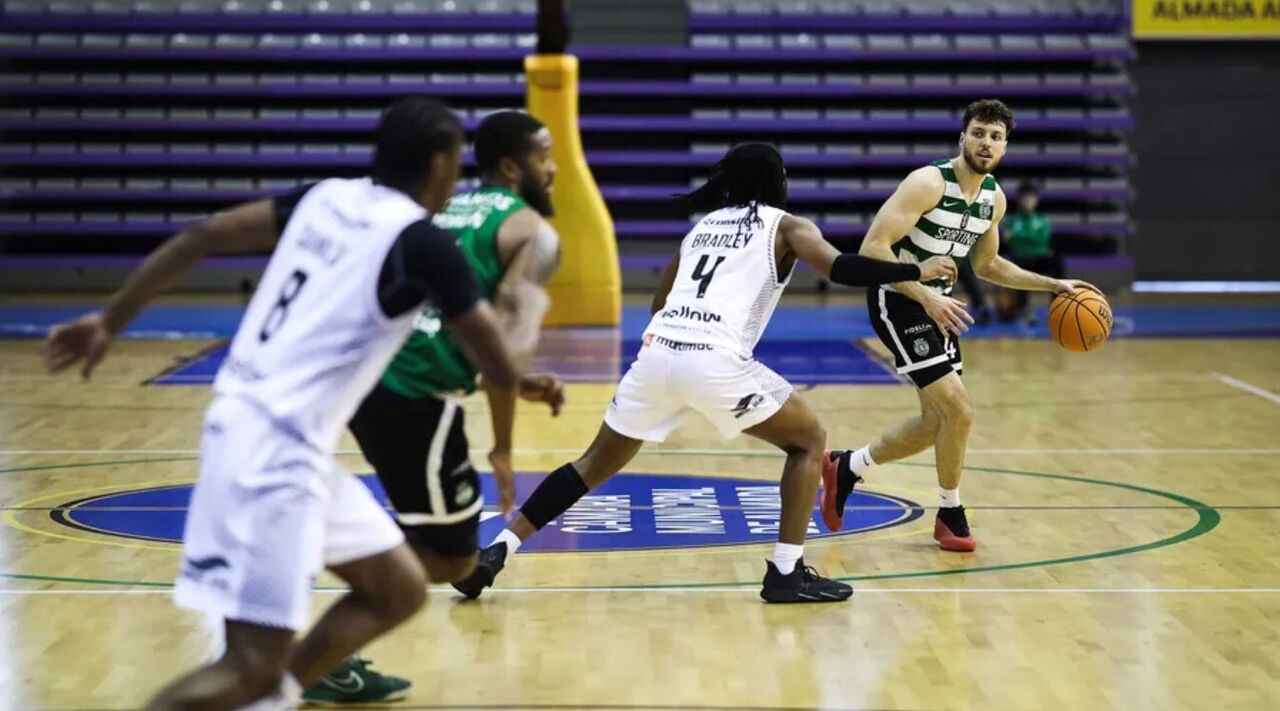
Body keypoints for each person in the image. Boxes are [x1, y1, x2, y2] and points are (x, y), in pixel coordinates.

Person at [43, 96, 523, 711]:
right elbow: (496, 360)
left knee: (399, 589)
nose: (457, 177)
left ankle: (277, 694)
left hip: (265, 432)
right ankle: (260, 689)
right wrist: (521, 394)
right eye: (456, 164)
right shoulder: (422, 242)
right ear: (437, 165)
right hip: (272, 452)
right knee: (245, 667)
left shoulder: (323, 197)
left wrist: (111, 321)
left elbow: (203, 235)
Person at [452, 142, 958, 603]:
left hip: (657, 352)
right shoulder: (788, 226)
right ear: (776, 179)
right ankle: (786, 572)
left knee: (589, 466)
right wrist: (914, 270)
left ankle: (497, 550)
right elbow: (842, 268)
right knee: (809, 442)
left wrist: (674, 359)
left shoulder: (701, 228)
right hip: (714, 358)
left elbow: (659, 302)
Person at [301, 110, 567, 705]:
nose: (554, 169)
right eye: (546, 156)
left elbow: (445, 316)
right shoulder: (530, 232)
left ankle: (322, 634)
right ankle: (316, 657)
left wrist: (519, 384)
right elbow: (499, 337)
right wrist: (503, 445)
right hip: (413, 396)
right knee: (448, 559)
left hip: (368, 376)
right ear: (511, 166)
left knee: (444, 547)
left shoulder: (442, 211)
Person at [823, 100, 1095, 552]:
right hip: (900, 302)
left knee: (938, 422)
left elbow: (987, 265)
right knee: (960, 410)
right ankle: (950, 513)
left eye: (995, 136)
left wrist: (1052, 284)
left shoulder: (994, 199)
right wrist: (923, 290)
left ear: (1005, 147)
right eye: (979, 133)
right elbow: (872, 248)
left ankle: (847, 467)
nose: (985, 142)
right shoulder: (928, 183)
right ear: (962, 138)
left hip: (940, 307)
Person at [997, 180, 1060, 325]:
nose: (1028, 201)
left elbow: (1041, 239)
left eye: (1031, 197)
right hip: (1021, 258)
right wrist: (1031, 237)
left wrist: (1018, 235)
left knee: (1057, 263)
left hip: (1040, 257)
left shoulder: (1043, 219)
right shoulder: (1011, 220)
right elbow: (1012, 244)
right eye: (1025, 197)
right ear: (1019, 200)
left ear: (1036, 200)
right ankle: (1024, 308)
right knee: (1019, 267)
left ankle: (1057, 306)